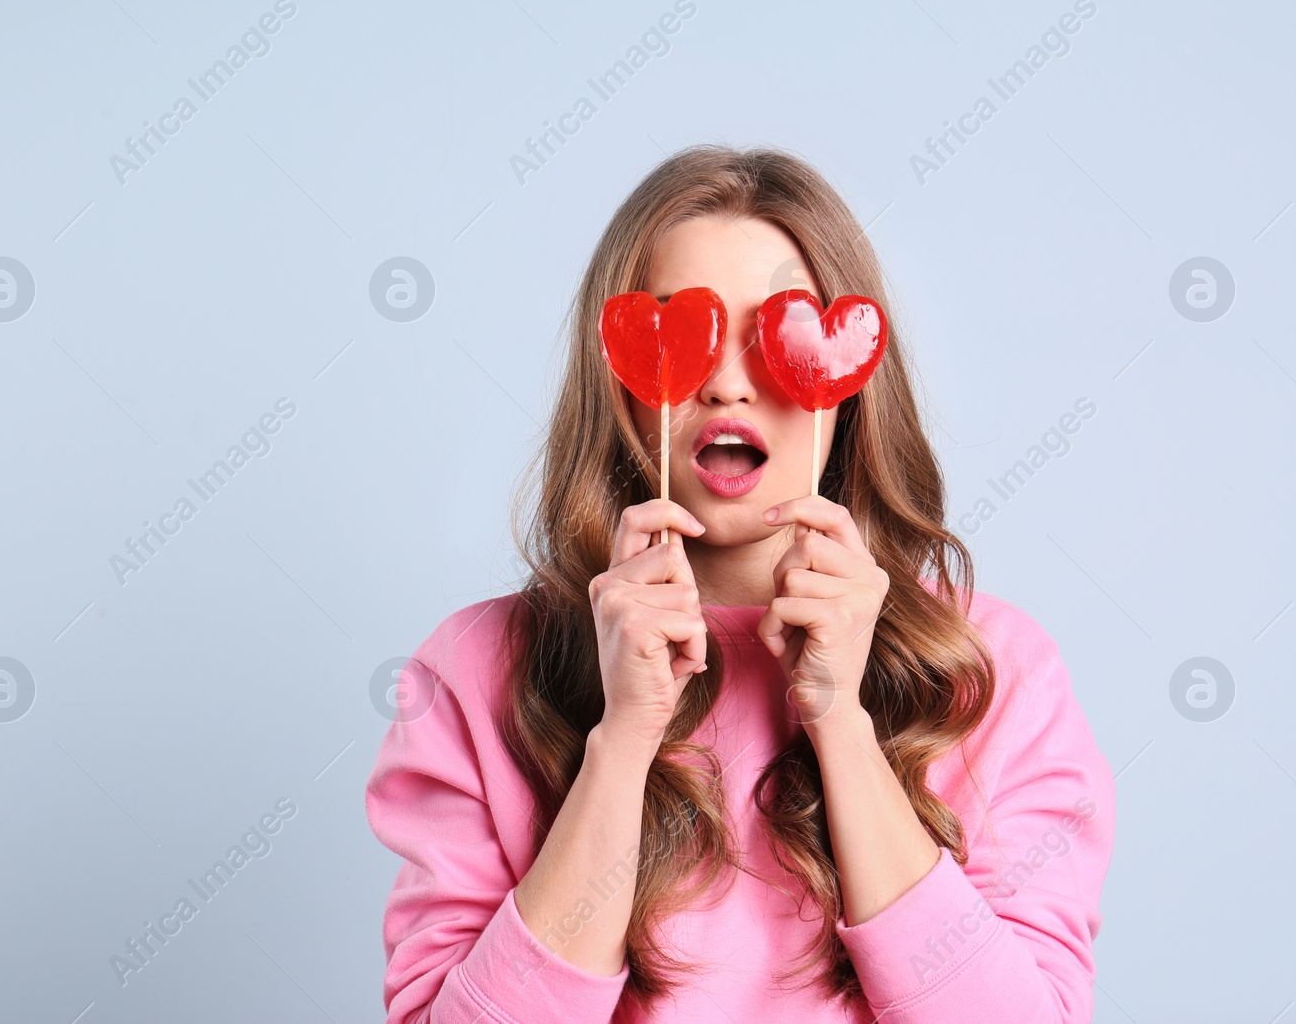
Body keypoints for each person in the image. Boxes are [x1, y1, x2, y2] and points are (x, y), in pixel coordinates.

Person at [365, 145, 1116, 1022]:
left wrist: (841, 724)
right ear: (621, 382)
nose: (726, 382)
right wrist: (622, 743)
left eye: (776, 337)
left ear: (850, 386)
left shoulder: (996, 671)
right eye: (688, 334)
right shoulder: (474, 670)